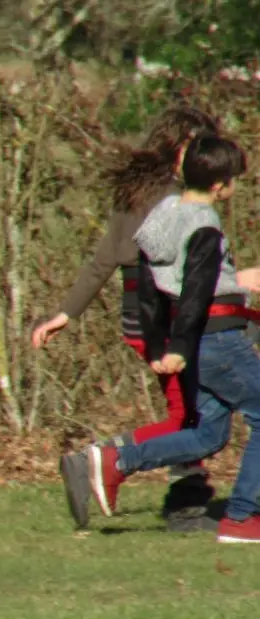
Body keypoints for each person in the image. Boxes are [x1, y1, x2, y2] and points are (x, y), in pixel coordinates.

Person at [32, 105, 223, 531]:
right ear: (182, 147)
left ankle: (185, 500)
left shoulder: (138, 189)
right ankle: (103, 461)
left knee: (189, 411)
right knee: (187, 418)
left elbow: (104, 258)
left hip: (137, 314)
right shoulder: (172, 197)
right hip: (159, 314)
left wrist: (66, 312)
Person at [62, 135, 260, 543]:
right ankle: (242, 518)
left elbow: (146, 282)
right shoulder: (205, 226)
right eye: (234, 180)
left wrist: (159, 344)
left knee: (210, 434)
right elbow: (198, 293)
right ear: (221, 185)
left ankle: (117, 461)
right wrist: (179, 348)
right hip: (217, 340)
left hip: (192, 342)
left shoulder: (165, 210)